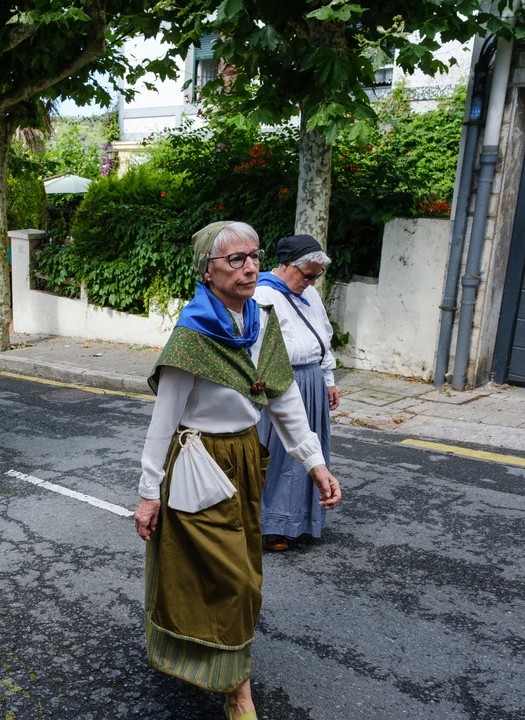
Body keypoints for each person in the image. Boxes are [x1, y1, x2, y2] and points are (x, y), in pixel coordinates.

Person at [133, 221, 341, 720]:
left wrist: (314, 463)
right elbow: (165, 418)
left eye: (254, 256)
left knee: (245, 571)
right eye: (235, 259)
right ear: (208, 272)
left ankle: (220, 665)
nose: (250, 267)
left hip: (247, 456)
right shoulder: (192, 335)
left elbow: (284, 399)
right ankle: (236, 690)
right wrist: (148, 491)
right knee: (234, 581)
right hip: (199, 463)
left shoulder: (261, 322)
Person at [255, 235, 339, 552]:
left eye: (316, 276)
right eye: (307, 275)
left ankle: (299, 521)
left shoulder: (309, 293)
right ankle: (270, 525)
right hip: (282, 381)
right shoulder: (263, 294)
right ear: (288, 266)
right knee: (280, 457)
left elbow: (324, 334)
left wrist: (328, 378)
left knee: (311, 451)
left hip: (312, 380)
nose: (311, 282)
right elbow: (260, 347)